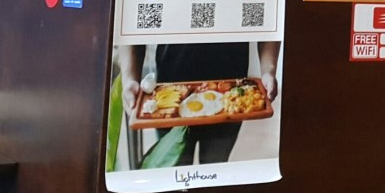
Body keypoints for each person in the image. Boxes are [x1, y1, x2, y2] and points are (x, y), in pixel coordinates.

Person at [119, 42, 280, 164]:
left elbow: (268, 17)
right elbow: (133, 22)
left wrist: (269, 70)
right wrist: (129, 78)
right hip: (169, 95)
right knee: (176, 175)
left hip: (229, 94)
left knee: (213, 172)